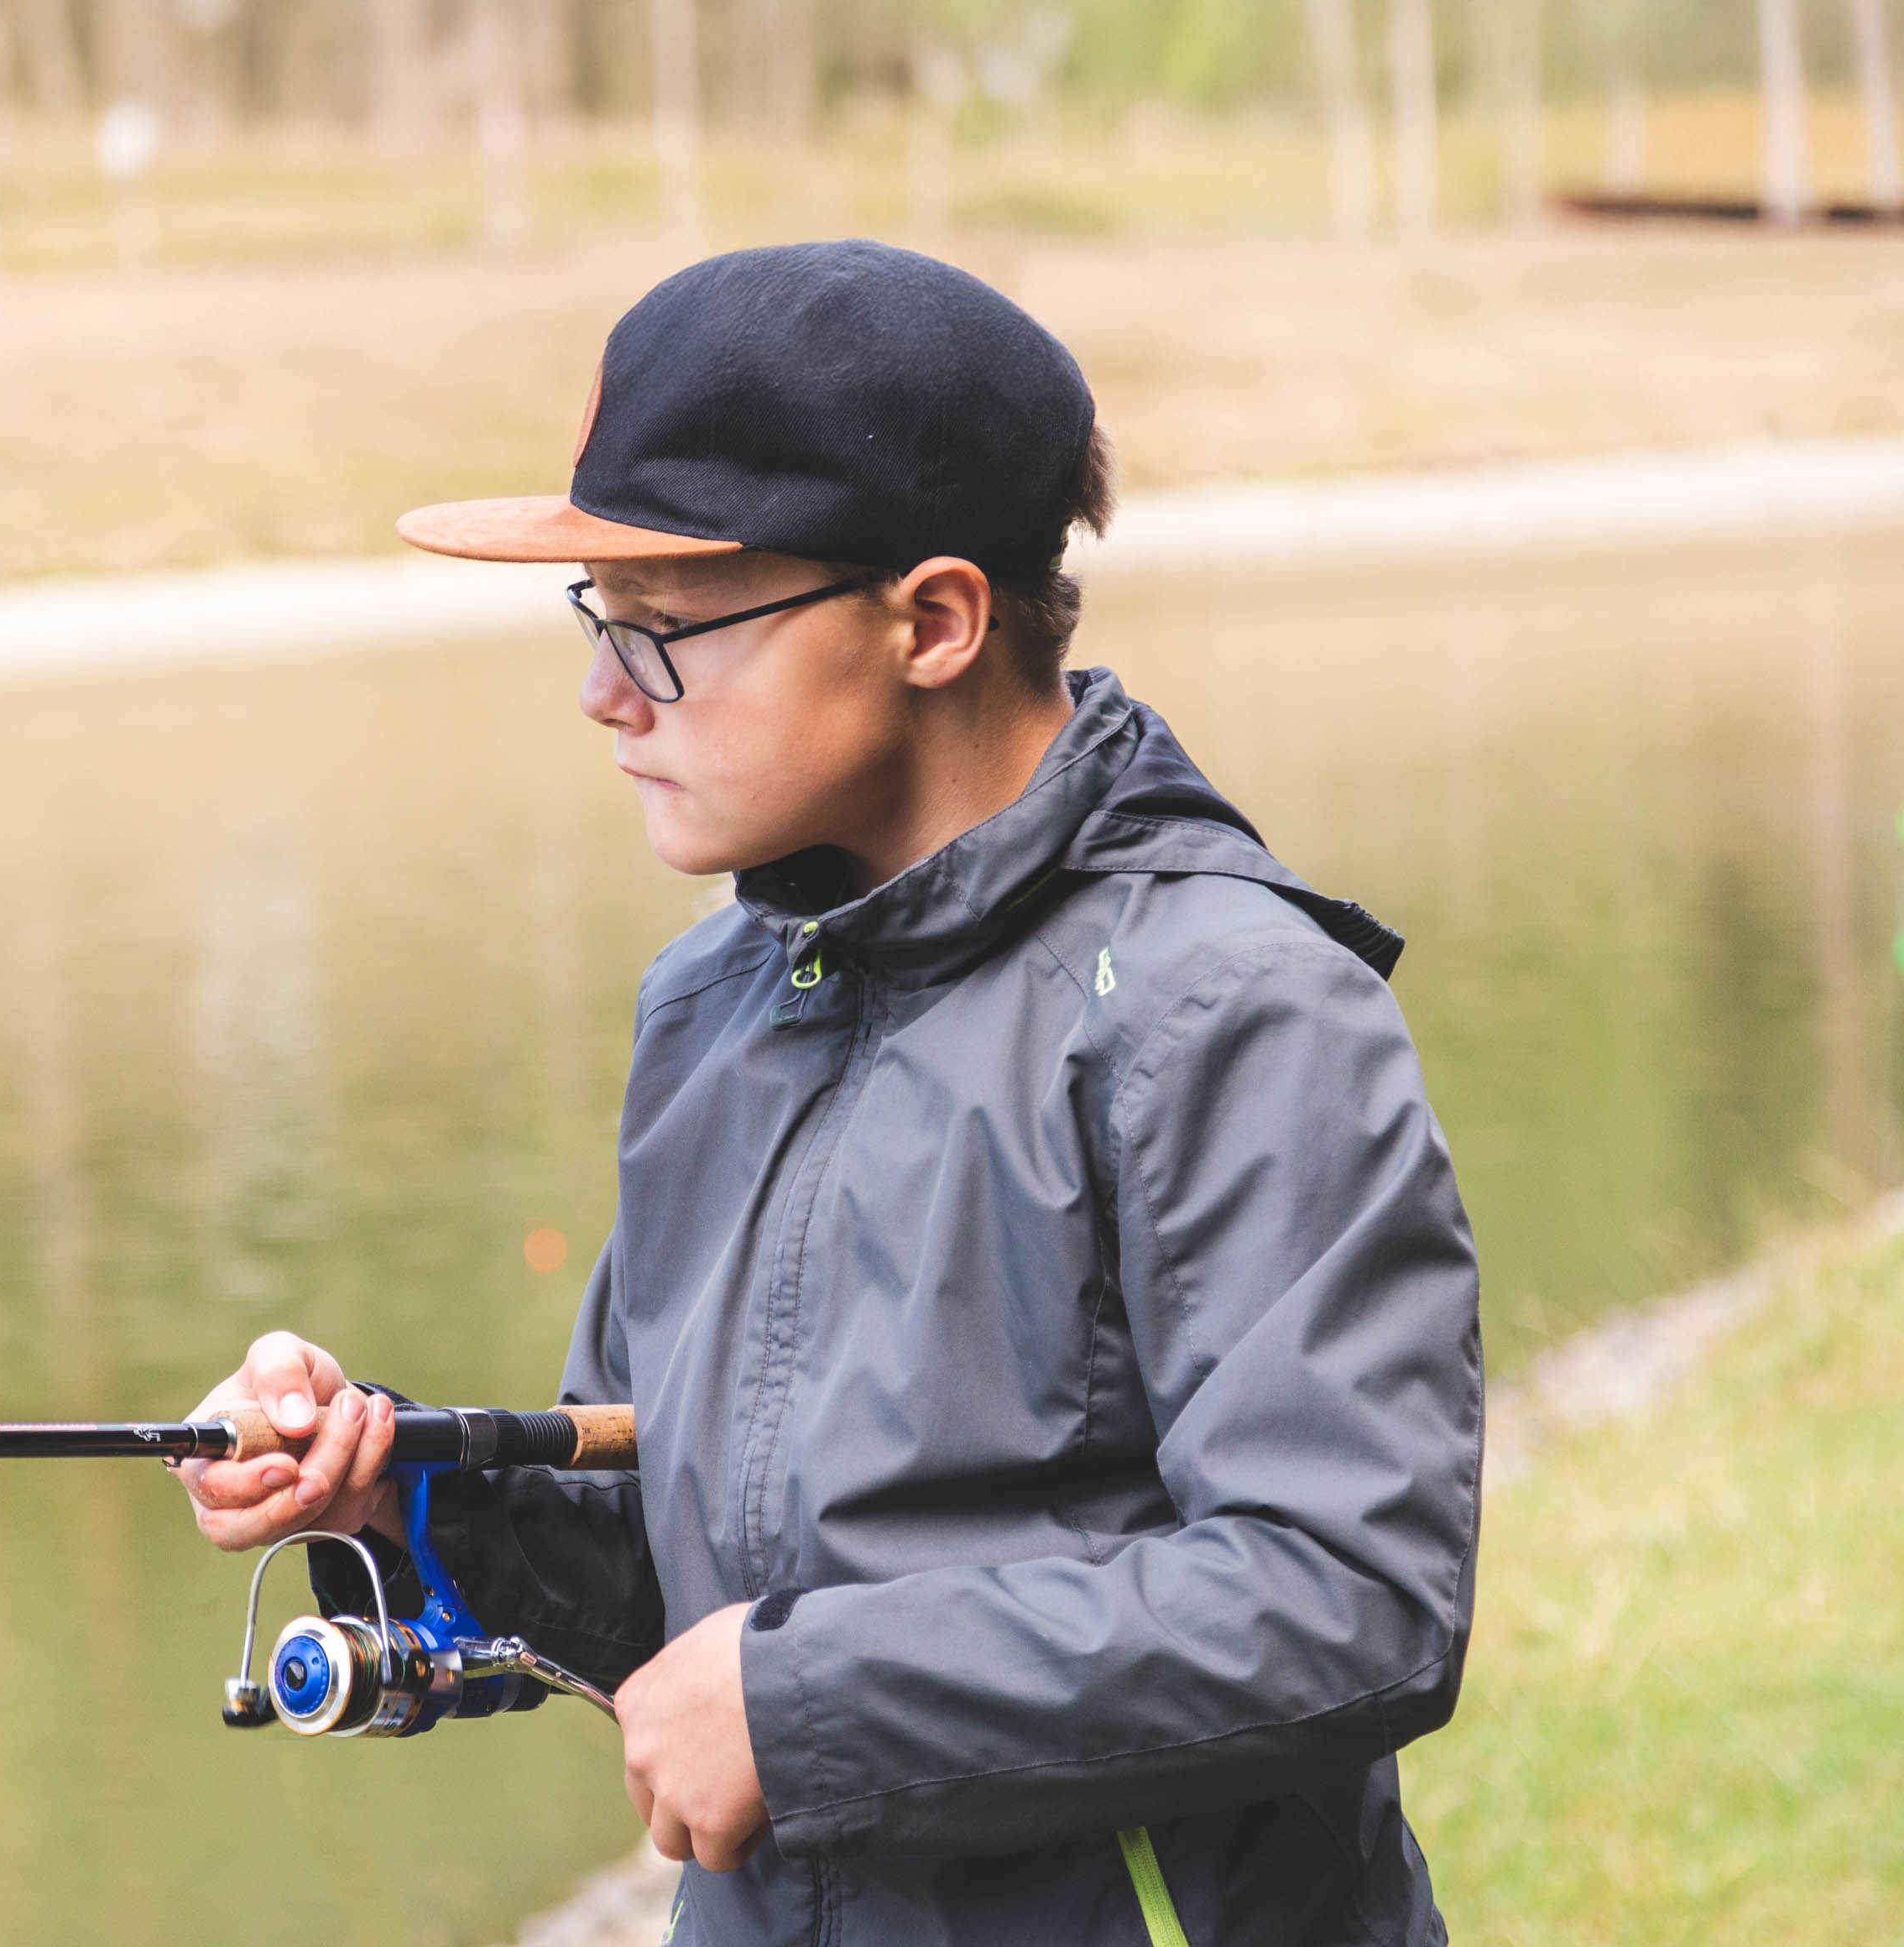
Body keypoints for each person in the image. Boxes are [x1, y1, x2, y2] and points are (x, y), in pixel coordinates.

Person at [175, 240, 1482, 1947]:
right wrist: (402, 1487)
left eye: (665, 630)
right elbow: (677, 1565)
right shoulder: (711, 1006)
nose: (603, 693)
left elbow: (1352, 1603)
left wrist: (797, 1708)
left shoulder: (1228, 1008)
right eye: (599, 620)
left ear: (932, 621)